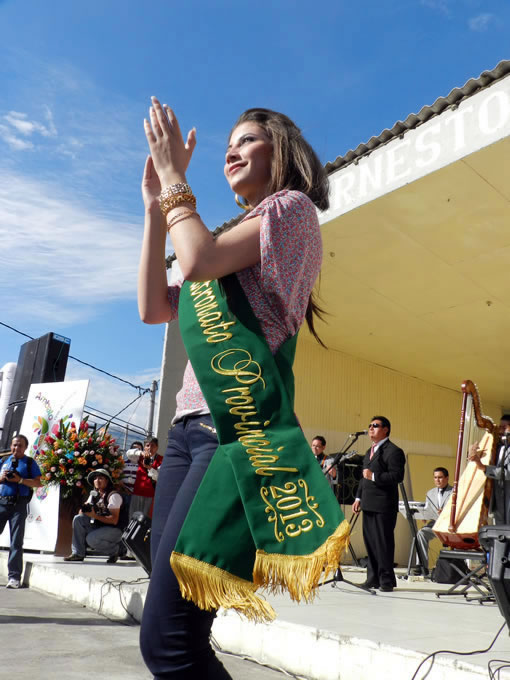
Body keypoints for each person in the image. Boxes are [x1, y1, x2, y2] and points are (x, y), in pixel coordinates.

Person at [137, 98, 348, 679]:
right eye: (228, 143)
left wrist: (175, 179)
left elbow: (197, 259)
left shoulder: (291, 210)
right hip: (184, 436)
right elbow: (153, 307)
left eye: (247, 140)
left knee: (170, 642)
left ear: (282, 151)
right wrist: (155, 208)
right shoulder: (235, 239)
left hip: (230, 433)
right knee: (168, 627)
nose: (231, 151)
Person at [352, 416, 405, 592]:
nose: (371, 428)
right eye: (370, 425)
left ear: (386, 429)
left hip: (384, 505)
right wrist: (358, 498)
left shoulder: (394, 451)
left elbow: (397, 476)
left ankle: (386, 581)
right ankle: (373, 578)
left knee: (383, 543)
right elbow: (363, 477)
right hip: (368, 503)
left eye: (375, 425)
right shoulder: (370, 451)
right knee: (370, 543)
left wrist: (374, 476)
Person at [0, 434, 42, 589]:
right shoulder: (4, 460)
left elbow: (38, 482)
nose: (16, 448)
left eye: (20, 445)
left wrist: (21, 480)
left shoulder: (29, 462)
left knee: (16, 541)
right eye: (14, 445)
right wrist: (2, 478)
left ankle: (14, 577)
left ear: (25, 447)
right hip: (2, 502)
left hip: (19, 504)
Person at [64, 469, 125, 564]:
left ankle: (116, 550)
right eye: (95, 479)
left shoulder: (113, 496)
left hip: (115, 530)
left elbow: (114, 520)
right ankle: (78, 553)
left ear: (107, 481)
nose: (97, 481)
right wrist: (84, 509)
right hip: (100, 526)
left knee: (91, 539)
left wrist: (94, 515)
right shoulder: (94, 494)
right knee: (78, 519)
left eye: (100, 478)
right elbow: (83, 512)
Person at [468, 415, 510, 524]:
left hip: (508, 498)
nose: (500, 430)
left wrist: (483, 467)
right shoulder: (497, 446)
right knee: (499, 531)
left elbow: (507, 473)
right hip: (497, 497)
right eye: (500, 427)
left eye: (504, 427)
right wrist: (473, 454)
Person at [412, 467, 452, 575]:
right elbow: (428, 509)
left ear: (447, 478)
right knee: (421, 533)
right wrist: (424, 515)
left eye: (440, 477)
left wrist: (446, 512)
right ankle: (421, 565)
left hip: (449, 525)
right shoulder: (430, 493)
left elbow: (458, 510)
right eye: (435, 477)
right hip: (434, 524)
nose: (437, 480)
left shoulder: (454, 492)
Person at [129, 437, 162, 518]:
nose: (150, 448)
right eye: (147, 445)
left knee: (146, 519)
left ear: (157, 447)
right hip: (137, 492)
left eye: (153, 445)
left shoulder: (161, 460)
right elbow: (128, 453)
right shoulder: (139, 457)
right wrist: (141, 453)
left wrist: (149, 468)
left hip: (151, 495)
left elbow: (159, 477)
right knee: (133, 517)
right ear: (144, 447)